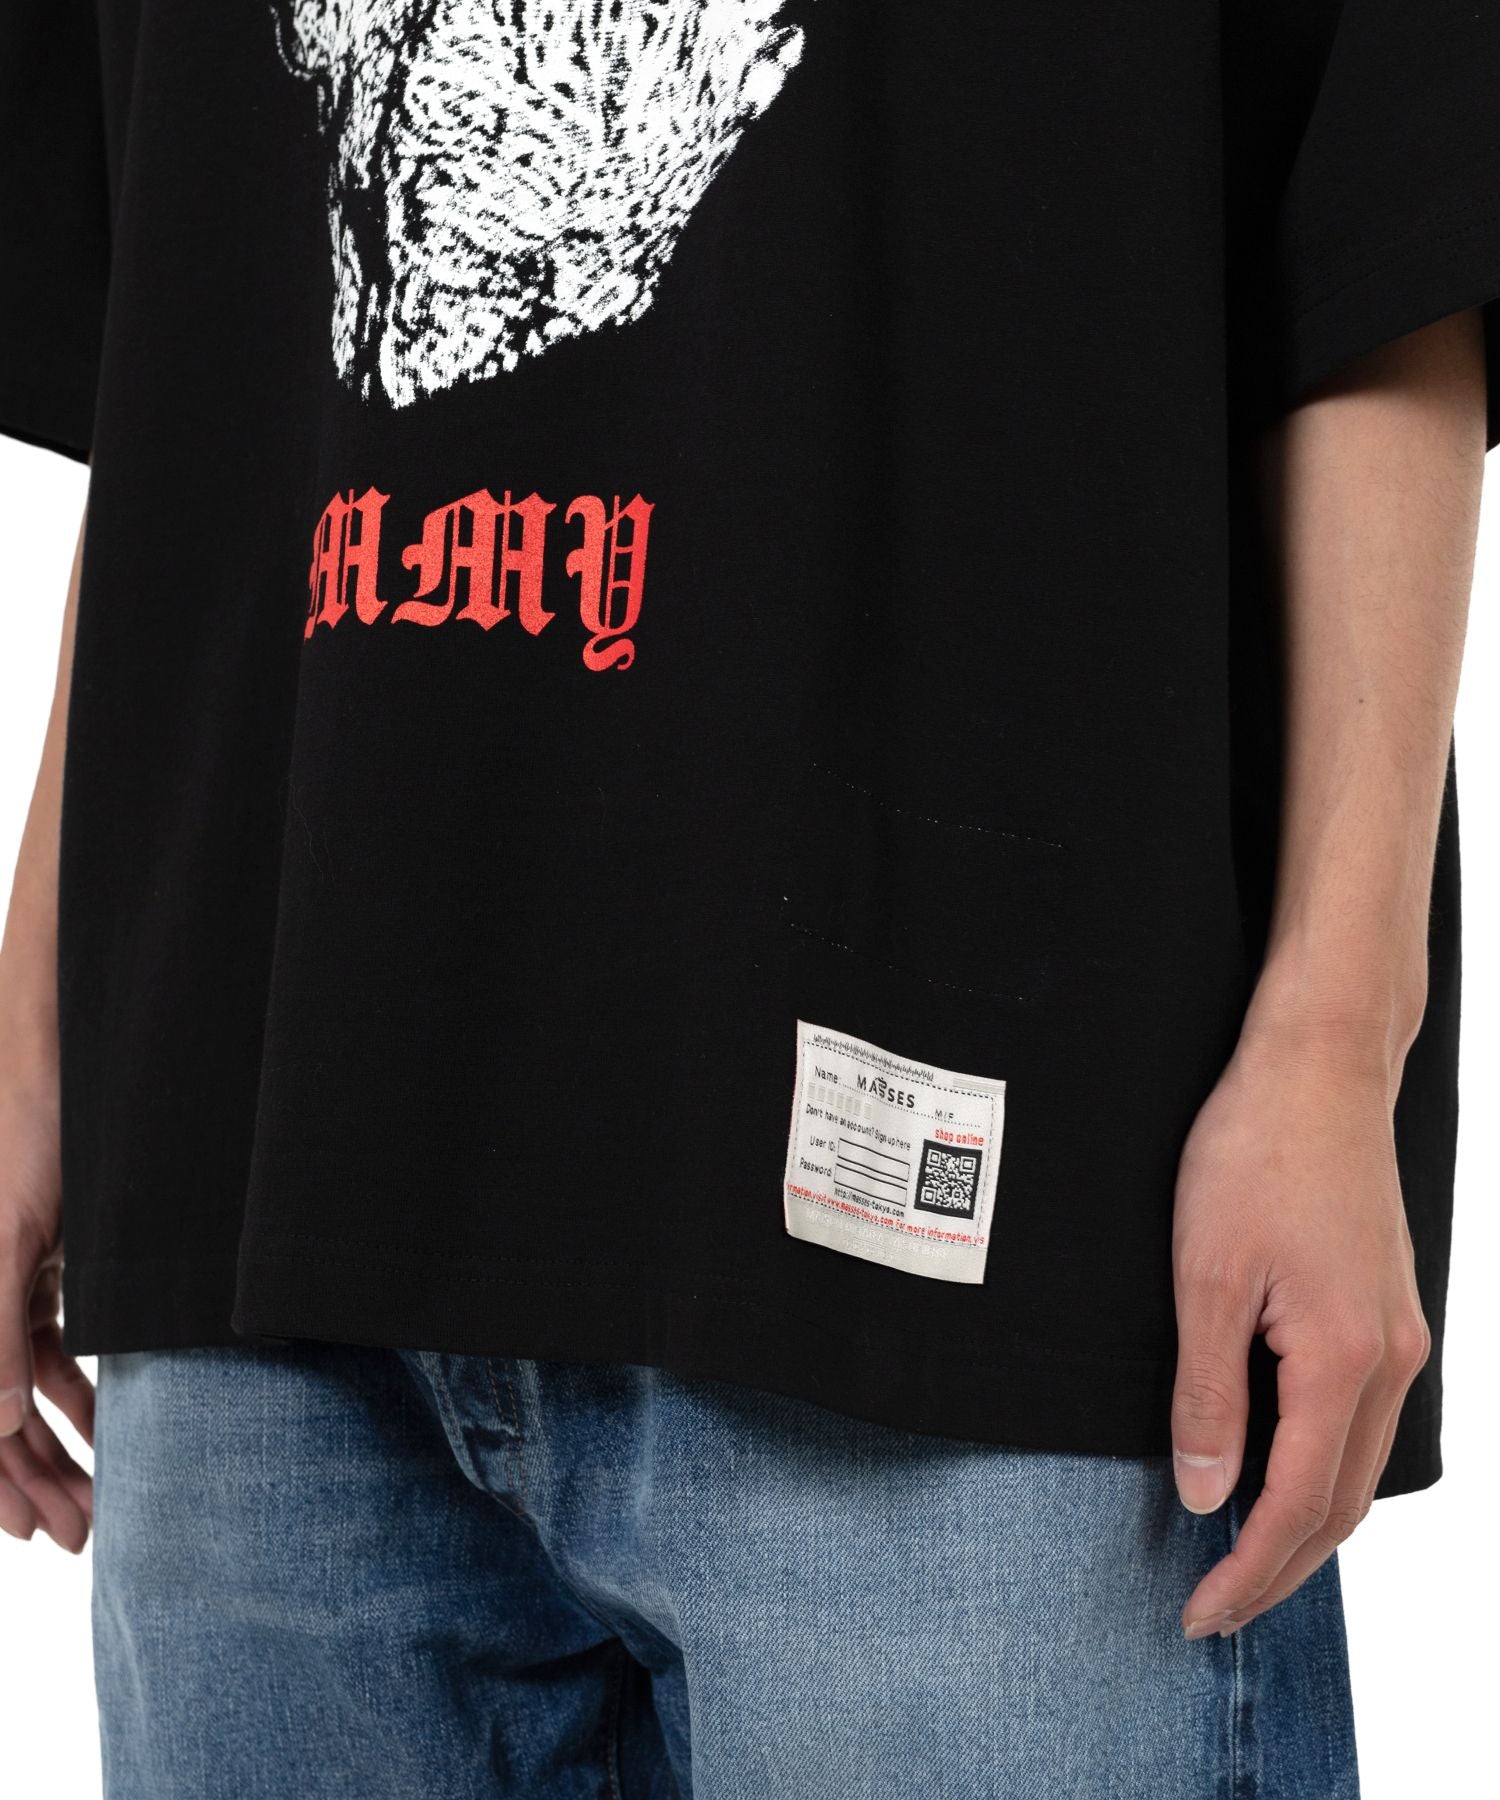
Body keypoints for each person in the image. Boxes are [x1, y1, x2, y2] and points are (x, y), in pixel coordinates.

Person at [1, 2, 1496, 1794]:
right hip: (260, 1206)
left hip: (966, 1247)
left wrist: (1336, 1041)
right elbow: (183, 313)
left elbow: (1391, 203)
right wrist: (35, 1031)